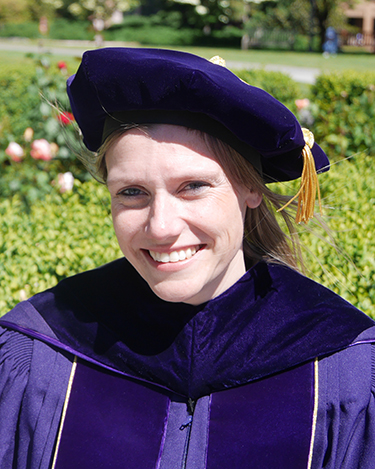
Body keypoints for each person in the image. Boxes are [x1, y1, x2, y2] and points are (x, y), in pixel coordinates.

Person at [0, 48, 374, 469]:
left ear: (251, 189)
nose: (160, 227)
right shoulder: (41, 344)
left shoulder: (343, 363)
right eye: (131, 192)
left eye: (193, 186)